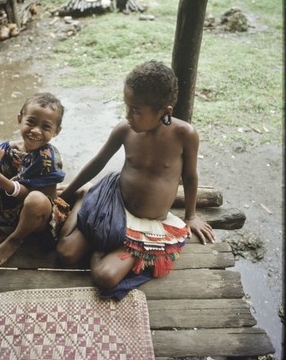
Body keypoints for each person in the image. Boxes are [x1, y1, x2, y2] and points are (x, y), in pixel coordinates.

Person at [56, 60, 215, 299]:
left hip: (146, 227)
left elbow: (190, 177)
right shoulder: (125, 130)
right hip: (114, 203)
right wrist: (68, 193)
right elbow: (97, 163)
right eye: (127, 106)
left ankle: (103, 239)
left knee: (105, 277)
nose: (128, 115)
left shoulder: (185, 135)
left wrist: (190, 215)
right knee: (65, 253)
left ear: (165, 112)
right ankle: (84, 199)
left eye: (136, 110)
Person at [0, 92, 70, 266]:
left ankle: (15, 239)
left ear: (56, 131)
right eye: (31, 122)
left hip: (36, 219)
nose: (36, 131)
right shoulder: (5, 149)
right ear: (19, 119)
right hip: (6, 211)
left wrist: (4, 183)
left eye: (46, 127)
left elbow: (47, 198)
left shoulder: (49, 158)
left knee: (35, 199)